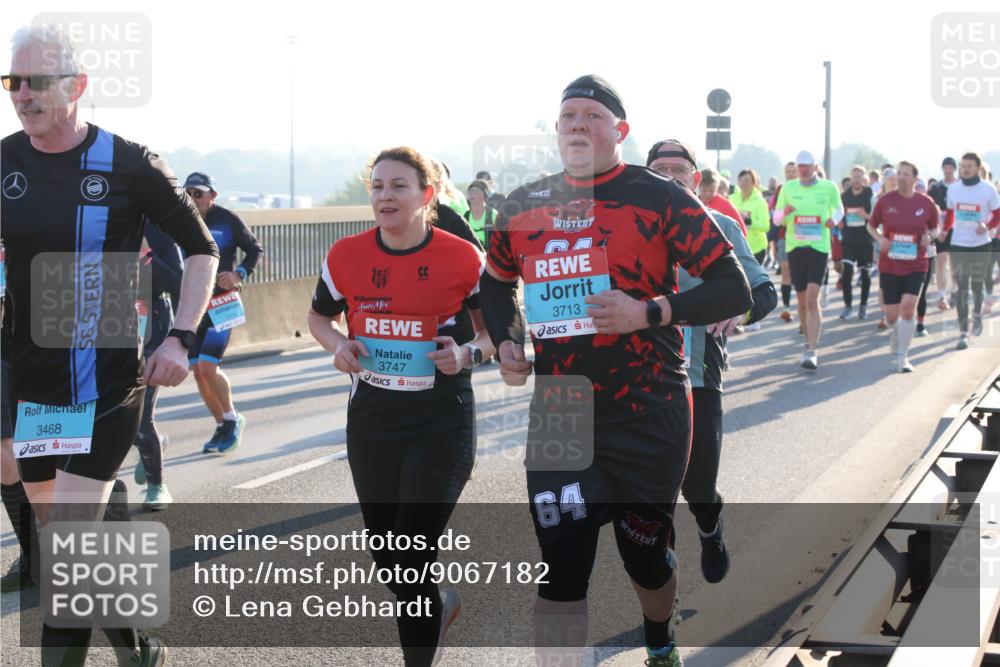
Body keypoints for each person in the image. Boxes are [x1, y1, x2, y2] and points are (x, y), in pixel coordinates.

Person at [480, 75, 751, 666]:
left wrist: (649, 311)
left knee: (645, 557)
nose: (577, 124)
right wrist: (506, 342)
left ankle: (660, 640)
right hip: (561, 410)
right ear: (556, 130)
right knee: (561, 564)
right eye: (568, 115)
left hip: (648, 407)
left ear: (620, 131)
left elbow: (734, 289)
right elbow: (495, 284)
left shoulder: (662, 196)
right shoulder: (522, 203)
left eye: (592, 116)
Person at [2, 24, 219, 665]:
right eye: (14, 81)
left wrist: (180, 338)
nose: (23, 94)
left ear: (78, 86)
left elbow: (201, 248)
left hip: (105, 385)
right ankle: (138, 647)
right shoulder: (5, 161)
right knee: (66, 550)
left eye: (38, 81)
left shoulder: (129, 163)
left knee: (67, 557)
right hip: (36, 389)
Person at [308, 146, 493, 666]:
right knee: (389, 561)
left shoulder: (461, 255)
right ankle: (440, 602)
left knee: (413, 552)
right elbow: (320, 318)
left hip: (442, 419)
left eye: (398, 186)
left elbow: (498, 331)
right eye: (377, 186)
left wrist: (466, 353)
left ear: (426, 195)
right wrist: (339, 345)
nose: (384, 196)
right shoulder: (345, 255)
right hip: (372, 421)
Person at [648, 139, 776, 584]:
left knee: (698, 488)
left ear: (695, 180)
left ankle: (709, 525)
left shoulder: (719, 223)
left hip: (698, 373)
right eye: (659, 168)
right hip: (640, 377)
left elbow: (764, 291)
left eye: (678, 169)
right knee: (653, 497)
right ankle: (666, 589)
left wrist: (737, 312)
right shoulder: (625, 229)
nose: (668, 175)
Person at [183, 172, 263, 454]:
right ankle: (222, 424)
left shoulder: (227, 219)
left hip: (223, 301)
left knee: (208, 366)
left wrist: (239, 273)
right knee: (196, 370)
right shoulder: (181, 219)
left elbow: (254, 248)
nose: (192, 199)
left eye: (198, 194)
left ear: (212, 196)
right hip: (194, 305)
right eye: (188, 193)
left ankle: (232, 417)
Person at [774, 150, 843, 369]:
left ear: (814, 166)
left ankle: (812, 350)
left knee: (813, 299)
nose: (803, 169)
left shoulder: (828, 186)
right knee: (802, 301)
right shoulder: (788, 188)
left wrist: (834, 219)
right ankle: (807, 341)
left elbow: (840, 208)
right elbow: (776, 220)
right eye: (800, 166)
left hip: (819, 247)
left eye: (807, 165)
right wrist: (785, 211)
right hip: (796, 248)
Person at [867, 162, 939, 372]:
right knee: (891, 316)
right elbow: (871, 226)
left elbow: (935, 229)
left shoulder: (926, 203)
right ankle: (895, 333)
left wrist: (929, 237)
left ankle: (903, 357)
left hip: (916, 263)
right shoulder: (885, 201)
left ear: (915, 179)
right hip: (890, 263)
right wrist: (880, 239)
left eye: (906, 174)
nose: (901, 177)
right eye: (899, 173)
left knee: (908, 309)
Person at [133, 222, 184, 510]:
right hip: (110, 323)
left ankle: (157, 485)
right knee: (109, 415)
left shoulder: (162, 232)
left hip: (153, 322)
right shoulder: (101, 223)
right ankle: (152, 445)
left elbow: (177, 282)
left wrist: (146, 254)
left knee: (140, 416)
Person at [943, 152, 1000, 349]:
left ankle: (977, 313)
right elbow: (951, 213)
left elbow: (998, 214)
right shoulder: (954, 189)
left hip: (980, 244)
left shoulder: (988, 189)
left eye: (969, 166)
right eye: (963, 166)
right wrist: (944, 231)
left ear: (977, 168)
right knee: (961, 288)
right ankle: (963, 332)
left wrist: (987, 225)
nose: (965, 169)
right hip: (959, 243)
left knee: (977, 285)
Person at [838, 166, 875, 320]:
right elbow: (838, 214)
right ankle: (848, 306)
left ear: (864, 179)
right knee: (846, 273)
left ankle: (863, 306)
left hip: (865, 240)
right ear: (851, 179)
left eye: (860, 177)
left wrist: (865, 215)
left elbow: (876, 218)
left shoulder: (870, 195)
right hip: (848, 240)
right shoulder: (844, 196)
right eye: (854, 177)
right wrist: (839, 222)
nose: (856, 180)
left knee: (865, 274)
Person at [929, 157, 959, 310]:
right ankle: (942, 295)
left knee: (954, 263)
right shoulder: (936, 188)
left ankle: (954, 289)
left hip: (957, 229)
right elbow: (931, 209)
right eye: (945, 167)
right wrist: (938, 228)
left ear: (954, 169)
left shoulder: (960, 187)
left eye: (950, 167)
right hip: (940, 230)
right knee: (941, 261)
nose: (947, 170)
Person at [771, 161, 798, 321]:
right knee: (786, 273)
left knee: (800, 275)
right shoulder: (781, 189)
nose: (790, 174)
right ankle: (787, 308)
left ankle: (805, 307)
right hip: (784, 235)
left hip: (804, 236)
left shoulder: (804, 188)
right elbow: (776, 212)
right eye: (788, 171)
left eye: (793, 171)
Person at [729, 168, 771, 265]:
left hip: (756, 249)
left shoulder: (760, 202)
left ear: (753, 182)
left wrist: (750, 222)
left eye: (747, 180)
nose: (743, 183)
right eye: (741, 180)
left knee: (752, 280)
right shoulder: (731, 199)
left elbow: (766, 226)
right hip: (736, 247)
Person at [697, 169, 747, 236]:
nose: (708, 194)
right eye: (704, 190)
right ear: (698, 186)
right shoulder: (693, 203)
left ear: (717, 187)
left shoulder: (726, 205)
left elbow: (742, 232)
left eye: (712, 191)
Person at [464, 179, 496, 249]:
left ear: (485, 194)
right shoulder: (465, 216)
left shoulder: (493, 215)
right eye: (471, 191)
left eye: (476, 191)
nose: (472, 193)